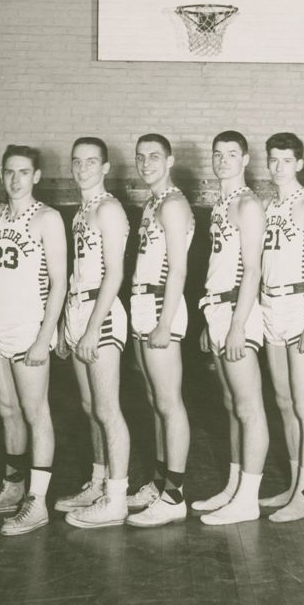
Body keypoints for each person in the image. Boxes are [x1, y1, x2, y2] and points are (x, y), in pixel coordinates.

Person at [0, 145, 67, 536]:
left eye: (23, 172)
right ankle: (13, 489)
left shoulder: (48, 218)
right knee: (6, 410)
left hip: (29, 330)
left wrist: (44, 337)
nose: (15, 179)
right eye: (9, 172)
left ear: (37, 176)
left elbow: (60, 283)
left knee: (35, 411)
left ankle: (38, 502)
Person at [54, 137, 132, 529]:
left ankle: (117, 498)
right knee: (90, 409)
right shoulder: (81, 212)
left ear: (105, 168)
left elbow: (114, 273)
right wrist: (69, 325)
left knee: (107, 409)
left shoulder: (110, 209)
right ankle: (100, 480)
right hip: (78, 308)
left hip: (100, 313)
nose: (82, 168)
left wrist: (91, 327)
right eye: (77, 162)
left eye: (91, 162)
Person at [256, 133, 304, 523]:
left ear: (300, 164)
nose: (278, 167)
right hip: (270, 304)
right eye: (273, 159)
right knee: (284, 402)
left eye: (286, 160)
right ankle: (293, 483)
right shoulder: (268, 206)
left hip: (301, 305)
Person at [193, 131, 268, 526]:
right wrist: (212, 318)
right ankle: (235, 485)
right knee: (230, 405)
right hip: (218, 307)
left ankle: (249, 498)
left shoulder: (247, 204)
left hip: (241, 310)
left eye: (231, 154)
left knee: (248, 407)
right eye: (217, 154)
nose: (223, 160)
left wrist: (238, 324)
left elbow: (253, 268)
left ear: (245, 159)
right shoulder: (221, 205)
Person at [126, 134, 195, 528]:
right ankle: (159, 480)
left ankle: (175, 495)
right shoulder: (152, 203)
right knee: (155, 400)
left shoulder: (172, 204)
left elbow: (179, 270)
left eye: (154, 156)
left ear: (169, 161)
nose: (146, 163)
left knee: (170, 402)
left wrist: (165, 322)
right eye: (141, 157)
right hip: (141, 304)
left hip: (159, 307)